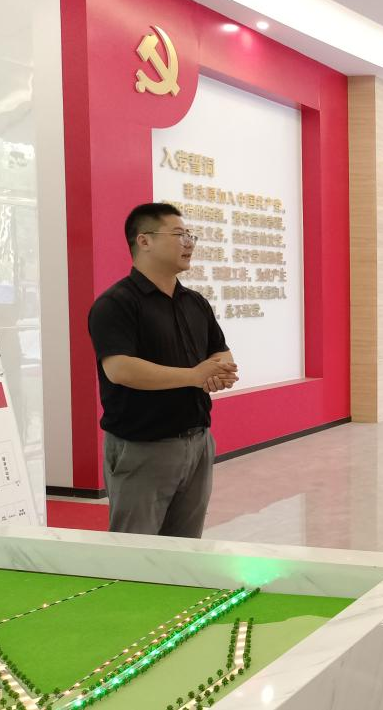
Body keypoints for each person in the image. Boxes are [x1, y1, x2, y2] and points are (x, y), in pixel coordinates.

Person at [88, 203, 238, 538]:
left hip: (198, 441)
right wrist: (195, 376)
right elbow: (120, 369)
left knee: (186, 546)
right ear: (144, 241)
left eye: (190, 236)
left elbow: (220, 351)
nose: (189, 243)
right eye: (179, 235)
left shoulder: (195, 302)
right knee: (136, 547)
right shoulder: (116, 304)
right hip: (142, 446)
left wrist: (219, 371)